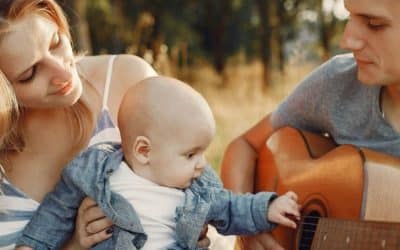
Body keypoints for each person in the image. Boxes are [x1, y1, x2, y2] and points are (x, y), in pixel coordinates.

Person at [16, 76, 301, 250]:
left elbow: (231, 207)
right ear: (143, 151)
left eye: (203, 152)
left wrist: (268, 207)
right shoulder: (96, 172)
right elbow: (57, 210)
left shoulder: (197, 190)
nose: (202, 164)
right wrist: (31, 246)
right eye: (191, 155)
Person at [220, 0, 400, 249]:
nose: (347, 41)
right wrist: (248, 226)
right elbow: (245, 146)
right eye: (349, 17)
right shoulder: (338, 83)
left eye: (374, 24)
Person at [0, 0, 168, 249]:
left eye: (55, 42)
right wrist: (75, 244)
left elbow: (194, 177)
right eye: (30, 73)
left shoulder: (128, 80)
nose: (63, 73)